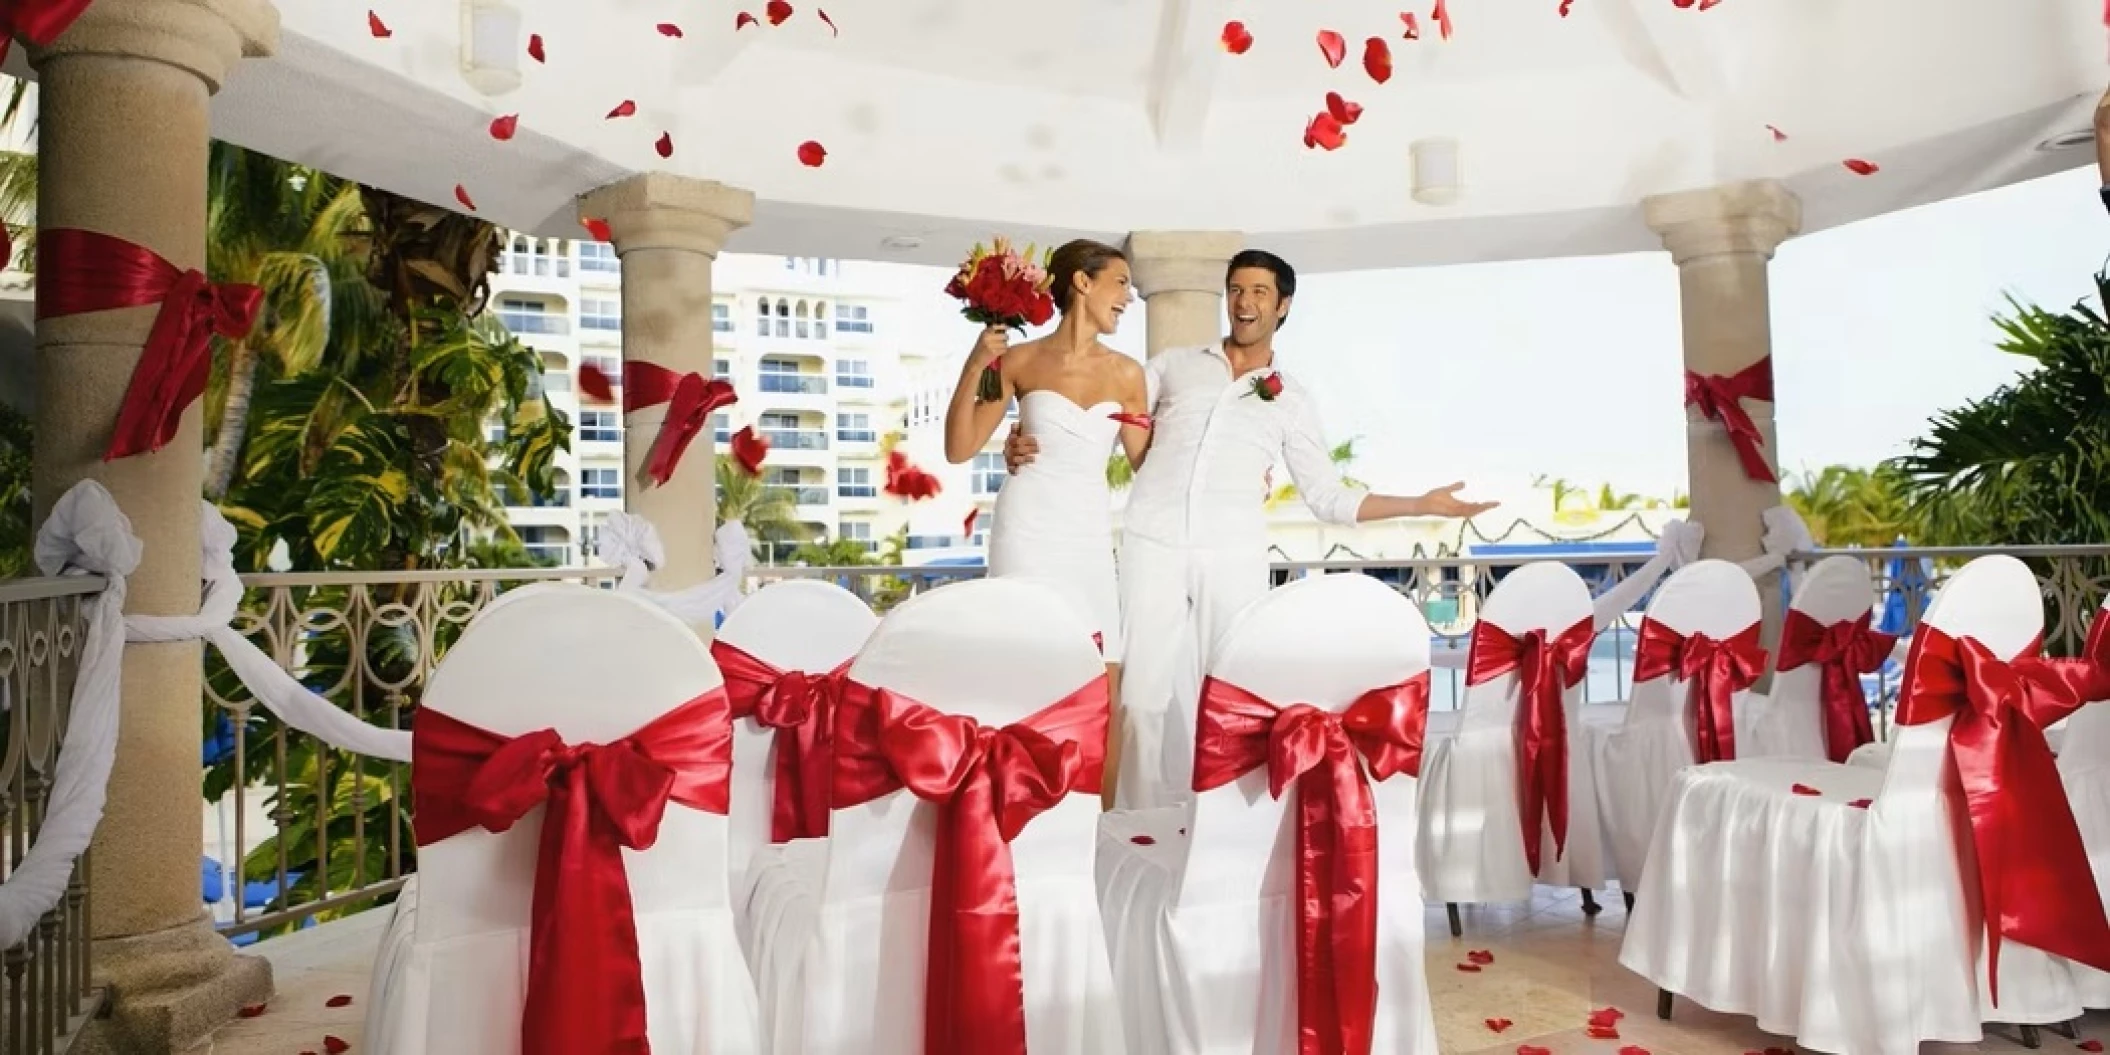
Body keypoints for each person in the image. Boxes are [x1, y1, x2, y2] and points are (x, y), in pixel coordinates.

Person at [1006, 249, 1496, 809]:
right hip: (1152, 541)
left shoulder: (1292, 400)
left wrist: (1421, 502)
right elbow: (1092, 400)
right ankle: (1132, 823)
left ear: (1283, 305)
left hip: (1233, 554)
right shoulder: (1170, 366)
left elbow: (1328, 498)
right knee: (1140, 697)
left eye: (1260, 292)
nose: (1245, 302)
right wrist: (1019, 440)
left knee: (1229, 694)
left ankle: (1216, 823)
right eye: (1237, 289)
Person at [944, 238, 1150, 805]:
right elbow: (960, 446)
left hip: (1086, 539)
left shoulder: (1130, 375)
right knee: (1020, 666)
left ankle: (1097, 827)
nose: (1129, 297)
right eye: (1121, 283)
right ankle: (1010, 810)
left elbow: (1149, 469)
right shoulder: (1020, 361)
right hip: (1026, 531)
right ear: (1083, 283)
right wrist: (977, 360)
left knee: (1106, 681)